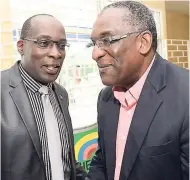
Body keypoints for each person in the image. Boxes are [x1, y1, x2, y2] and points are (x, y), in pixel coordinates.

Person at [87, 1, 189, 180]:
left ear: (143, 42)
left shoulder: (185, 94)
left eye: (107, 40)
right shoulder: (106, 98)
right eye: (94, 43)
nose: (95, 54)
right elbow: (103, 159)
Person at [1, 14, 87, 180]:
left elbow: (64, 161)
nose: (56, 53)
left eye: (62, 46)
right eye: (43, 43)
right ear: (21, 46)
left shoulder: (61, 95)